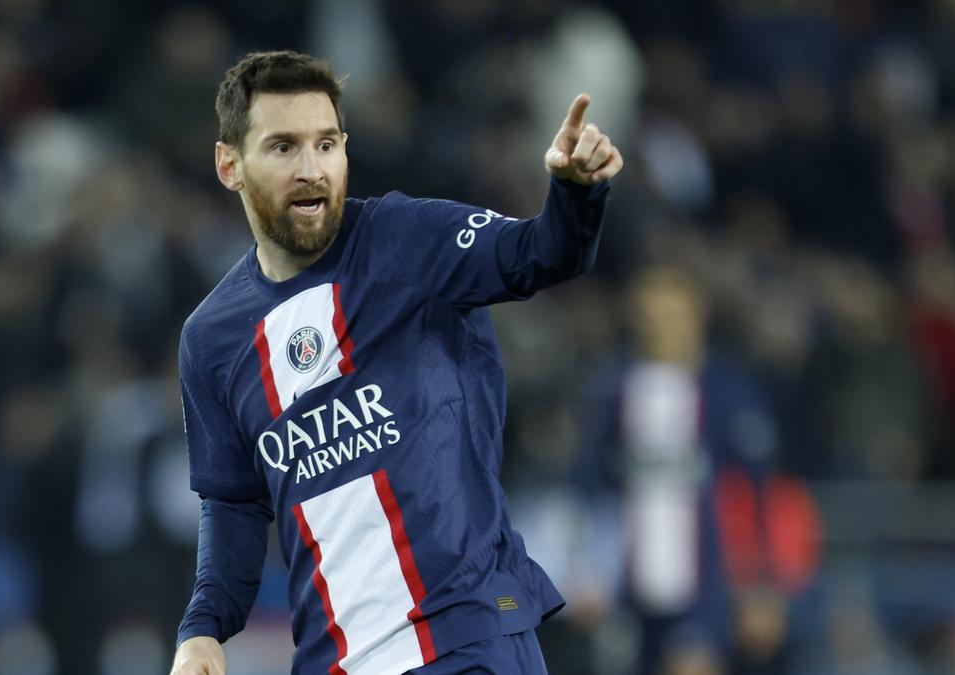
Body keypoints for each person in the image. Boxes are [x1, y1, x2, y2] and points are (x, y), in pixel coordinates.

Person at [169, 50, 622, 675]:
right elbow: (234, 506)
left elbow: (537, 253)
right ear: (230, 165)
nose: (311, 169)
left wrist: (575, 195)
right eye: (283, 147)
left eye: (326, 144)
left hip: (467, 639)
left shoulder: (408, 239)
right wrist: (202, 629)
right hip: (334, 660)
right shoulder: (211, 339)